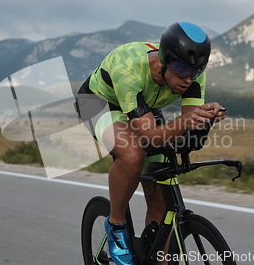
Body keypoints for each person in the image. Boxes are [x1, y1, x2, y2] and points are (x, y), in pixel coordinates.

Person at [76, 22, 227, 265]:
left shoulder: (190, 74)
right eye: (180, 68)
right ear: (163, 61)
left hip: (143, 107)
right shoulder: (129, 68)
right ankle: (116, 225)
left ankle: (157, 256)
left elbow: (189, 128)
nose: (187, 79)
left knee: (161, 182)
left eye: (195, 72)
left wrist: (205, 118)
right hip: (98, 103)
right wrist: (187, 120)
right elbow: (148, 136)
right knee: (134, 155)